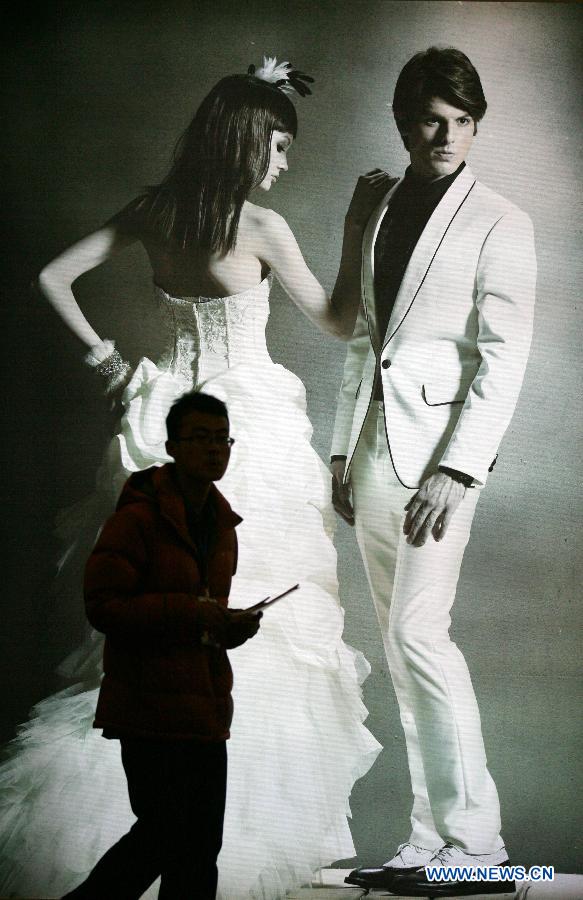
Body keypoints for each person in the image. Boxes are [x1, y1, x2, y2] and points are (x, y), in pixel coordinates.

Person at [0, 59, 383, 899]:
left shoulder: (154, 209)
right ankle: (232, 836)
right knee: (254, 624)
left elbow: (49, 277)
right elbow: (337, 319)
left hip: (164, 411)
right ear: (247, 142)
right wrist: (356, 230)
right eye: (278, 146)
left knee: (160, 632)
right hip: (247, 422)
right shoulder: (262, 226)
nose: (284, 163)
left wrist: (109, 363)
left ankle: (158, 835)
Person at [331, 47, 536, 897]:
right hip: (375, 448)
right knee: (398, 643)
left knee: (421, 633)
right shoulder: (381, 204)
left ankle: (478, 845)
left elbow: (504, 352)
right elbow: (363, 337)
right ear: (403, 121)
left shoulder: (501, 218)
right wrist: (341, 447)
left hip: (439, 461)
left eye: (459, 121)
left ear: (475, 123)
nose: (443, 135)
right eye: (428, 119)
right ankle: (428, 836)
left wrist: (459, 469)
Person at [64, 390, 261, 899]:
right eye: (200, 438)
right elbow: (104, 605)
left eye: (223, 439)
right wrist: (189, 611)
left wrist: (227, 627)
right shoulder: (139, 516)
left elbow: (198, 616)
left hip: (205, 710)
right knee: (161, 836)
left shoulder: (222, 525)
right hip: (149, 707)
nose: (215, 449)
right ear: (172, 445)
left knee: (200, 851)